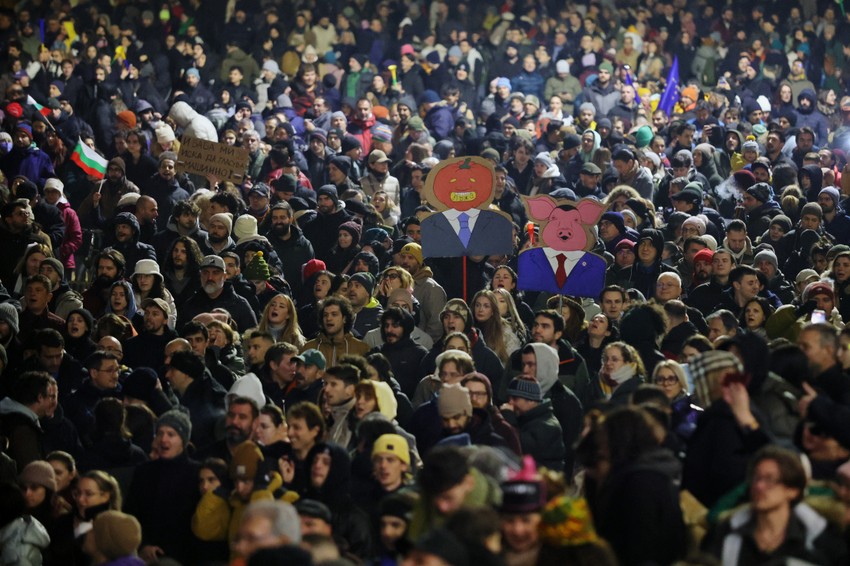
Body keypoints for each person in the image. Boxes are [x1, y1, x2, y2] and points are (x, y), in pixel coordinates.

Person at [704, 446, 848, 564]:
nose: (759, 486)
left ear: (792, 490)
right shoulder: (725, 531)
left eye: (770, 480)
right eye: (756, 478)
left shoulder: (820, 539)